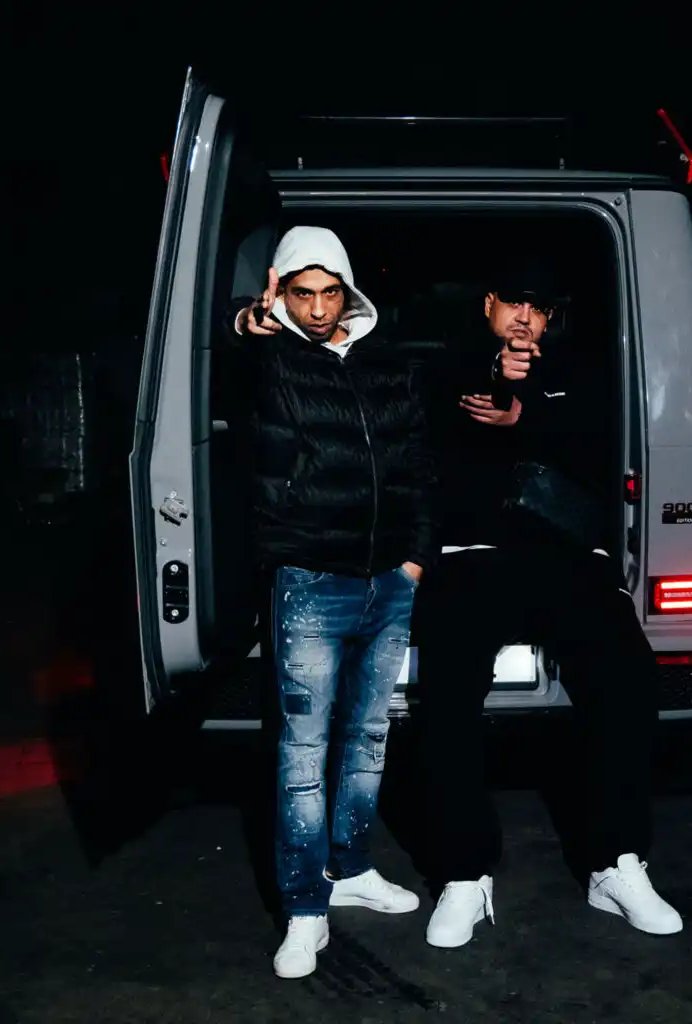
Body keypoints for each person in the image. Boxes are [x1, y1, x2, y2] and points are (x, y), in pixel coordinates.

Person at [413, 261, 682, 949]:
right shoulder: (448, 364)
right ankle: (464, 874)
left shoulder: (581, 371)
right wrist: (496, 383)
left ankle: (615, 863)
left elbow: (596, 438)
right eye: (513, 303)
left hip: (566, 558)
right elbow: (442, 417)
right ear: (489, 305)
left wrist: (526, 411)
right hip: (473, 558)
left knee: (627, 676)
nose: (524, 318)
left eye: (538, 307)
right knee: (445, 692)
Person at [230, 226, 437, 978]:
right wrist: (248, 322)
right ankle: (304, 909)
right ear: (281, 292)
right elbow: (223, 361)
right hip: (313, 581)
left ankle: (349, 868)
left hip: (389, 580)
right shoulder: (271, 358)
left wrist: (414, 558)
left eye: (328, 292)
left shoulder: (387, 360)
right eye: (301, 294)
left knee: (368, 738)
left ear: (348, 291)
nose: (317, 309)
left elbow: (418, 463)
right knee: (303, 753)